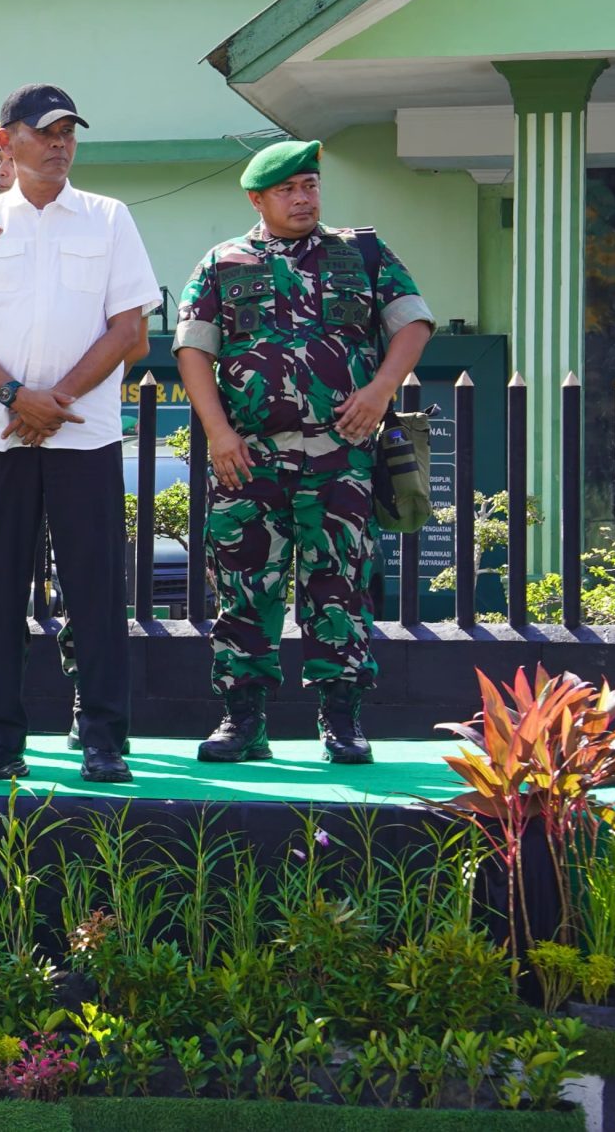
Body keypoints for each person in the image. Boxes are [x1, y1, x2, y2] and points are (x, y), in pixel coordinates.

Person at [174, 139, 433, 764]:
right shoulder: (223, 262)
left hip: (340, 454)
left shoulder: (363, 253)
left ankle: (342, 721)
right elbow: (193, 350)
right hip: (249, 459)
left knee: (340, 588)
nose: (302, 198)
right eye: (287, 189)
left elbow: (414, 323)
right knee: (243, 590)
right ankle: (243, 721)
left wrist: (380, 390)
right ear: (257, 199)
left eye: (310, 185)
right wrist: (219, 433)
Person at [0, 85, 157, 785]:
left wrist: (54, 402)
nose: (60, 144)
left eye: (69, 133)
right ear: (7, 142)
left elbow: (128, 330)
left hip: (82, 435)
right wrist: (15, 398)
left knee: (96, 591)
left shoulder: (108, 217)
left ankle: (103, 739)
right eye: (46, 132)